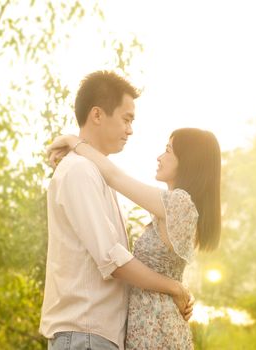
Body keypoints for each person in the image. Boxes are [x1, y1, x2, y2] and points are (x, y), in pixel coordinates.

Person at [40, 71, 193, 350]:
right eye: (127, 118)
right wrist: (174, 287)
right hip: (85, 335)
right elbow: (114, 260)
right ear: (97, 115)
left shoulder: (95, 172)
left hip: (94, 336)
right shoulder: (81, 172)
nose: (130, 129)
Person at [47, 127, 221, 350]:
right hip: (150, 322)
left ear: (188, 161)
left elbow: (114, 176)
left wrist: (72, 141)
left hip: (157, 326)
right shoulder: (174, 207)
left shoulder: (179, 204)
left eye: (168, 150)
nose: (160, 157)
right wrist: (177, 287)